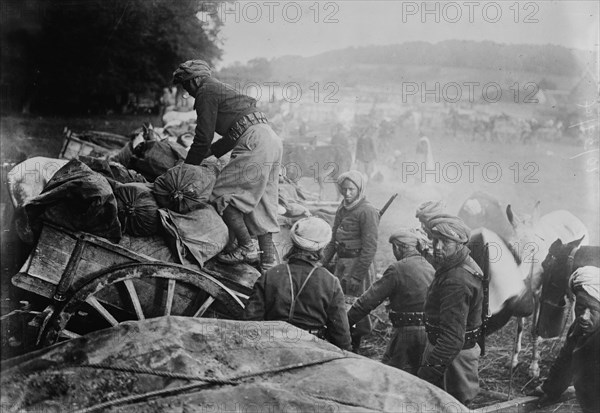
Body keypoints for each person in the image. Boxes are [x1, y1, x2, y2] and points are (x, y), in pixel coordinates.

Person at [172, 60, 283, 271]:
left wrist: (187, 169)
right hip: (270, 139)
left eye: (186, 85)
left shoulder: (206, 91)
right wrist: (210, 154)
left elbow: (203, 137)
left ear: (195, 80)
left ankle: (246, 247)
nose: (187, 91)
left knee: (223, 195)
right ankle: (268, 264)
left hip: (254, 141)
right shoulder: (220, 89)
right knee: (263, 202)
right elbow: (233, 133)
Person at [244, 216, 352, 350]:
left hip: (272, 348)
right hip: (313, 351)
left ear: (294, 244)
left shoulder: (270, 275)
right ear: (321, 248)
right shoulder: (330, 282)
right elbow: (341, 336)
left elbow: (250, 323)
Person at [417, 214, 484, 406]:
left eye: (445, 242)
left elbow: (452, 339)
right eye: (435, 240)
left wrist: (425, 375)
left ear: (459, 243)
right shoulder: (459, 263)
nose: (437, 247)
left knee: (450, 405)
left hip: (451, 359)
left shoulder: (457, 280)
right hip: (450, 353)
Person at [347, 228, 435, 374]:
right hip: (429, 333)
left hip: (405, 334)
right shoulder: (429, 266)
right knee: (421, 377)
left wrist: (345, 322)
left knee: (391, 375)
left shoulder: (397, 268)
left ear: (398, 247)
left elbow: (368, 301)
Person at [321, 170, 379, 352]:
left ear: (359, 189)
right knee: (339, 304)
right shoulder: (343, 206)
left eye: (351, 189)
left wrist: (357, 276)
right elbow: (333, 239)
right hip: (342, 264)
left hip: (357, 266)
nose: (347, 193)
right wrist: (320, 263)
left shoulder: (367, 211)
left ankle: (355, 347)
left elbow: (370, 248)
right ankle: (341, 342)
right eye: (344, 189)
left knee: (356, 308)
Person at [535, 266, 600, 413]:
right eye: (581, 307)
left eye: (593, 310)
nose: (584, 316)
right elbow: (565, 362)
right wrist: (551, 390)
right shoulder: (577, 329)